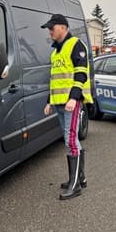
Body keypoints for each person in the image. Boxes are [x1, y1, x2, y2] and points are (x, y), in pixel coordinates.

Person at [41, 14, 93, 200]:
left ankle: (75, 185)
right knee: (71, 140)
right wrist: (49, 101)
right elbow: (55, 80)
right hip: (59, 103)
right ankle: (80, 178)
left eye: (52, 28)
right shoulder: (55, 52)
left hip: (72, 102)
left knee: (70, 139)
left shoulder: (76, 45)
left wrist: (74, 98)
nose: (50, 31)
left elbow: (81, 74)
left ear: (63, 27)